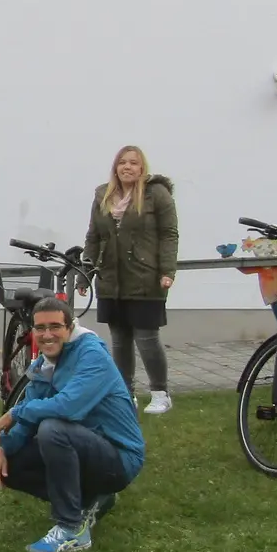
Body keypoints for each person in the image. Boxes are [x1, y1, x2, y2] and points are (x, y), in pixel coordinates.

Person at [0, 297, 145, 552]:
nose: (47, 335)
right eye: (40, 328)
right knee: (5, 464)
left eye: (55, 326)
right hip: (80, 447)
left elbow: (68, 406)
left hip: (119, 456)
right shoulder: (44, 365)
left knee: (52, 429)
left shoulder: (92, 355)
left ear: (70, 327)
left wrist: (17, 410)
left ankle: (71, 529)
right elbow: (27, 419)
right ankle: (89, 499)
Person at [82, 146, 179, 414]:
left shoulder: (155, 194)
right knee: (119, 339)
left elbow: (169, 234)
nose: (127, 167)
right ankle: (125, 395)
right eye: (122, 163)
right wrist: (85, 272)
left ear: (142, 168)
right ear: (115, 168)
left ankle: (160, 393)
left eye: (133, 163)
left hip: (145, 277)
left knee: (146, 337)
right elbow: (93, 236)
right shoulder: (103, 195)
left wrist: (167, 271)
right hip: (111, 279)